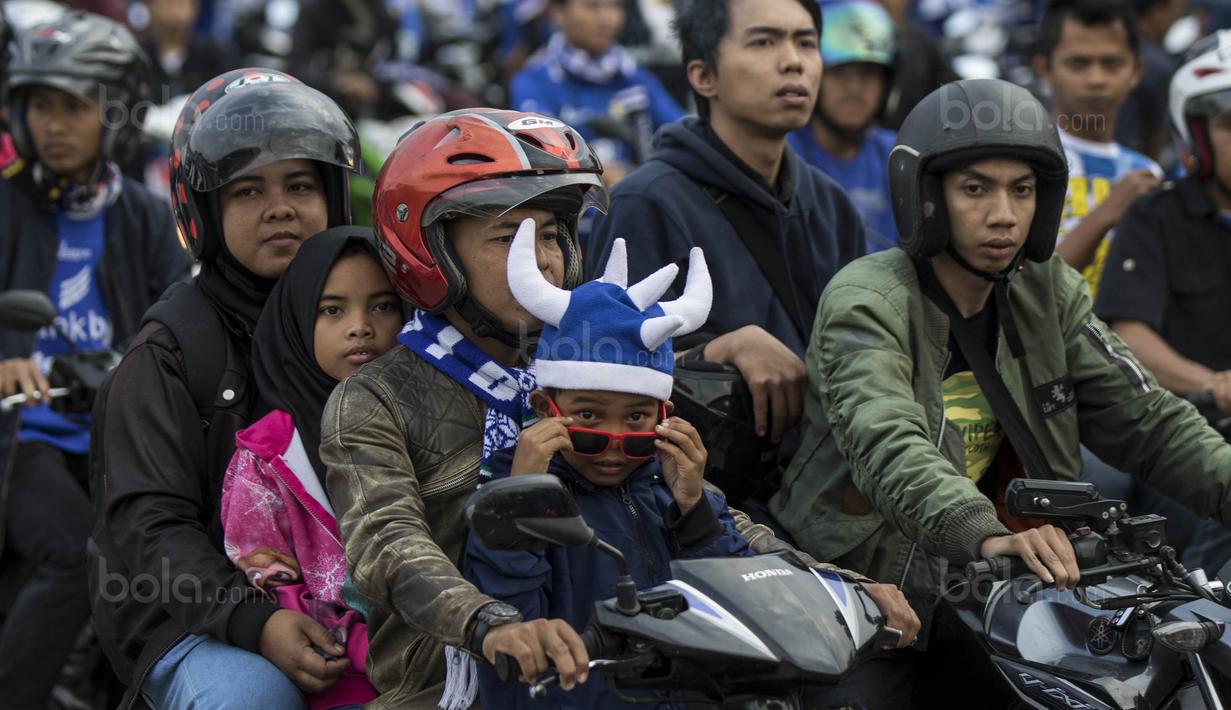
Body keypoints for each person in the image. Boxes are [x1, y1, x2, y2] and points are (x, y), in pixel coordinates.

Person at [321, 107, 918, 710]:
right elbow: (389, 546)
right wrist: (492, 623)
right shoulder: (375, 399)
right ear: (429, 251)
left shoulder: (609, 365)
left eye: (552, 236)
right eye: (511, 238)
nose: (545, 262)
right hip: (460, 684)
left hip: (641, 670)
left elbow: (712, 514)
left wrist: (834, 586)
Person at [771, 77, 1231, 706]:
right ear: (926, 197)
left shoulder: (1049, 290)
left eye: (1023, 190)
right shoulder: (867, 300)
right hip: (875, 587)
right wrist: (981, 531)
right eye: (974, 189)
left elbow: (1149, 420)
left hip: (1016, 588)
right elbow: (885, 437)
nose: (1004, 215)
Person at [88, 67, 362, 709]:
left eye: (300, 184)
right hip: (193, 620)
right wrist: (254, 621)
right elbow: (150, 525)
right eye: (247, 191)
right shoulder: (171, 352)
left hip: (357, 601)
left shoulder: (371, 315)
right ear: (202, 211)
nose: (280, 208)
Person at [466, 228, 751, 709]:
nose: (614, 444)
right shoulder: (506, 494)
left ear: (666, 415)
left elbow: (739, 608)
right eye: (590, 418)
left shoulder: (676, 487)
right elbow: (511, 620)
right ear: (543, 407)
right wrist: (521, 495)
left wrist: (695, 508)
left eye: (636, 419)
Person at [0, 12, 190, 709]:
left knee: (165, 555)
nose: (53, 123)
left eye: (73, 105)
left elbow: (179, 327)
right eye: (39, 103)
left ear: (117, 113)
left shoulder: (143, 216)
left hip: (118, 443)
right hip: (24, 439)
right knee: (73, 553)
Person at [585, 0, 868, 450]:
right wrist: (719, 351)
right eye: (763, 41)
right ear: (703, 75)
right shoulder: (645, 204)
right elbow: (599, 371)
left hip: (826, 485)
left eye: (807, 42)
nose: (793, 60)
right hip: (703, 495)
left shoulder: (830, 203)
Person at [220, 228, 405, 710]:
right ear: (298, 322)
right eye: (333, 309)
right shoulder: (270, 456)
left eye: (384, 306)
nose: (361, 326)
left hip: (443, 658)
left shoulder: (432, 423)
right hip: (340, 671)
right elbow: (268, 577)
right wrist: (359, 642)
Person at [1093, 30, 1231, 571]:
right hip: (1186, 439)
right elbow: (1126, 335)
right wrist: (1213, 385)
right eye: (1228, 122)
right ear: (1195, 134)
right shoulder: (1157, 215)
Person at [1033, 0, 1163, 299]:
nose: (1097, 79)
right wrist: (1109, 211)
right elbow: (1027, 293)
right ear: (1045, 69)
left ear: (1136, 70)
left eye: (1112, 63)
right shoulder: (1022, 162)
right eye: (1078, 63)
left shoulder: (1147, 174)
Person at [510, 0, 685, 184]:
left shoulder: (633, 77)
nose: (607, 18)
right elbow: (541, 154)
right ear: (558, 13)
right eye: (592, 6)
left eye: (615, 6)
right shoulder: (534, 80)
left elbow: (679, 131)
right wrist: (597, 171)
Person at [788, 0, 899, 251]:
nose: (855, 87)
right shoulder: (782, 154)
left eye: (868, 73)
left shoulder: (900, 155)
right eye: (841, 72)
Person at [1115, 0, 1187, 163]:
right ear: (1157, 12)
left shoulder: (1112, 48)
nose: (1176, 19)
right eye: (1175, 11)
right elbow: (1156, 138)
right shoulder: (1158, 65)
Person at [140, 0, 237, 98]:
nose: (173, 10)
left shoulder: (213, 55)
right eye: (167, 3)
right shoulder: (139, 59)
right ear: (149, 7)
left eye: (180, 3)